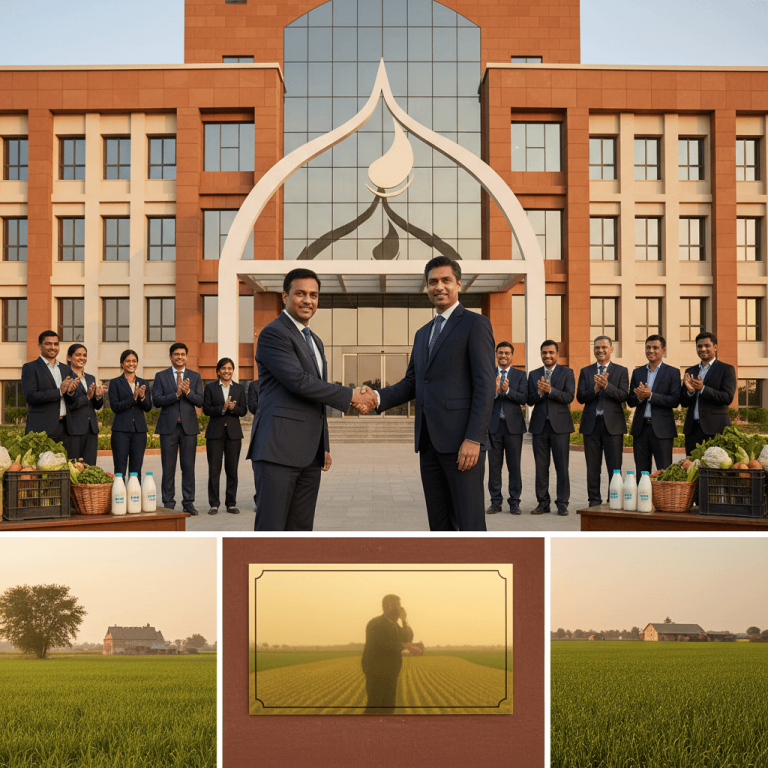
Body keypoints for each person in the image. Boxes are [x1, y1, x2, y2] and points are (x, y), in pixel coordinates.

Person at [358, 256, 495, 531]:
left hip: (462, 445)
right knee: (439, 523)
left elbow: (485, 385)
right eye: (433, 282)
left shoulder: (475, 324)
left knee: (469, 522)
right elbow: (413, 383)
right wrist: (377, 397)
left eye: (446, 280)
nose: (439, 287)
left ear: (459, 284)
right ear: (427, 287)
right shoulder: (423, 334)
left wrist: (474, 439)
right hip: (429, 445)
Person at [248, 268, 371, 531]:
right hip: (277, 450)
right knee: (271, 530)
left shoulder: (315, 340)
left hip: (309, 454)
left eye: (313, 295)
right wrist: (350, 395)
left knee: (301, 530)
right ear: (285, 296)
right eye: (300, 294)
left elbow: (317, 396)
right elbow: (299, 382)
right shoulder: (273, 333)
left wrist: (323, 445)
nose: (308, 300)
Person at [576, 336, 629, 507]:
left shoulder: (621, 371)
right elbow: (580, 397)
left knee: (614, 468)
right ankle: (594, 501)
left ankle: (613, 499)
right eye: (597, 347)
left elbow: (624, 396)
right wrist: (594, 389)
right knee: (593, 467)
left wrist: (607, 386)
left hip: (613, 426)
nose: (600, 350)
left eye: (604, 347)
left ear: (611, 349)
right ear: (594, 350)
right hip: (591, 425)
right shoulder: (586, 371)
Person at [152, 342, 204, 515]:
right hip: (168, 428)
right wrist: (176, 394)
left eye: (182, 354)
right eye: (176, 354)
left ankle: (188, 502)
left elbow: (200, 401)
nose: (179, 357)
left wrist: (188, 392)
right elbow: (156, 401)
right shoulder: (161, 376)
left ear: (186, 357)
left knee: (188, 467)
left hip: (189, 428)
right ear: (170, 357)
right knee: (168, 467)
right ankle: (168, 503)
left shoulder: (195, 376)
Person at [527, 340, 574, 516]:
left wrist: (550, 390)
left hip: (560, 427)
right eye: (544, 352)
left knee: (562, 467)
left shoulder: (567, 372)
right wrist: (539, 392)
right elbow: (529, 400)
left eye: (551, 352)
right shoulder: (533, 374)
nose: (547, 355)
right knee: (541, 467)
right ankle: (543, 503)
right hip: (539, 427)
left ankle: (562, 503)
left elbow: (569, 396)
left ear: (557, 354)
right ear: (541, 354)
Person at [627, 334, 680, 474]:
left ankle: (661, 491)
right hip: (640, 429)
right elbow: (630, 400)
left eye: (655, 347)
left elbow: (674, 400)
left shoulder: (672, 372)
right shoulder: (637, 372)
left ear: (664, 350)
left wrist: (651, 395)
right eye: (648, 347)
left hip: (663, 430)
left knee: (664, 471)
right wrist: (639, 397)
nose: (651, 350)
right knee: (642, 472)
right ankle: (643, 490)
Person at [486, 341, 528, 516]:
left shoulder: (520, 375)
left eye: (507, 353)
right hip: (493, 427)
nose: (503, 356)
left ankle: (514, 502)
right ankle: (495, 502)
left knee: (514, 467)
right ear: (496, 354)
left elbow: (524, 398)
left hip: (514, 428)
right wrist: (495, 392)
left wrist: (508, 390)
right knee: (494, 467)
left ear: (512, 355)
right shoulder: (488, 373)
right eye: (500, 353)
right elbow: (481, 398)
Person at [20, 330, 78, 455]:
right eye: (48, 344)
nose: (53, 347)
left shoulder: (66, 369)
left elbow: (71, 400)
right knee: (41, 465)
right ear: (40, 346)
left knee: (65, 465)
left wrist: (71, 392)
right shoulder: (30, 368)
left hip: (65, 428)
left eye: (56, 344)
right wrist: (59, 391)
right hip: (41, 429)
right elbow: (30, 396)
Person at [203, 358, 247, 515]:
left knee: (232, 470)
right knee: (214, 470)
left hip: (234, 434)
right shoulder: (210, 387)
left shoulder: (239, 388)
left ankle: (231, 503)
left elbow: (244, 410)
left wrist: (233, 408)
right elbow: (206, 409)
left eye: (229, 368)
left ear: (233, 370)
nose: (226, 371)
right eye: (223, 368)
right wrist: (222, 408)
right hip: (214, 434)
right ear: (218, 371)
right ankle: (214, 504)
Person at [680, 331, 736, 456]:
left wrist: (703, 389)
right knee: (692, 466)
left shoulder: (726, 369)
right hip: (692, 431)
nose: (703, 349)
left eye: (707, 345)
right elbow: (683, 402)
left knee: (715, 466)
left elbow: (727, 398)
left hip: (716, 430)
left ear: (715, 347)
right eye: (699, 346)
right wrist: (690, 392)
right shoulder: (690, 371)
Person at [361, 594, 414, 715]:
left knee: (389, 707)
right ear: (385, 607)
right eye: (395, 605)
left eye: (399, 605)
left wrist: (404, 621)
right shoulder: (376, 623)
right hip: (376, 671)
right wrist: (403, 646)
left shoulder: (394, 624)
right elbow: (378, 644)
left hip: (391, 671)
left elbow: (408, 638)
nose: (398, 608)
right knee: (374, 706)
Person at [108, 349, 153, 480]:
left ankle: (135, 493)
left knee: (136, 470)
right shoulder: (115, 383)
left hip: (139, 431)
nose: (131, 363)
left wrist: (142, 397)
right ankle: (120, 493)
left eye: (134, 361)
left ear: (137, 363)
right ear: (122, 363)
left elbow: (148, 407)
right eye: (128, 361)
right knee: (120, 470)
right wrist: (133, 398)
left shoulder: (143, 383)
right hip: (120, 431)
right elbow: (115, 407)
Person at [64, 343, 105, 466]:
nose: (82, 358)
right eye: (78, 355)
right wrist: (86, 397)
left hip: (91, 429)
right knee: (74, 467)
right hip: (73, 429)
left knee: (90, 466)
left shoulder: (90, 378)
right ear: (69, 357)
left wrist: (98, 396)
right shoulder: (65, 378)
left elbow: (96, 406)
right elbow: (70, 404)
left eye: (84, 355)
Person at [247, 379, 260, 511]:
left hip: (281, 431)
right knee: (259, 467)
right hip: (260, 430)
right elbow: (253, 407)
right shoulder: (254, 385)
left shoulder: (281, 383)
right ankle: (260, 500)